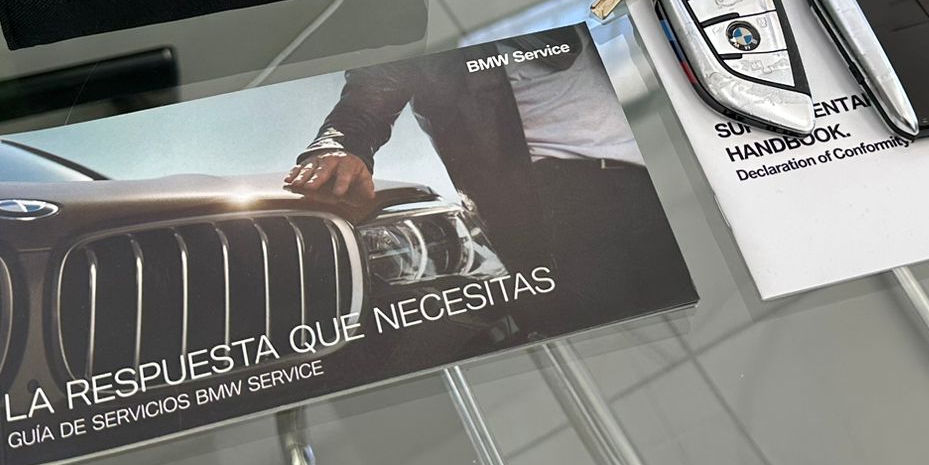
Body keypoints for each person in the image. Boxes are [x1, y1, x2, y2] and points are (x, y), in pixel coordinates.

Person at [284, 36, 691, 321]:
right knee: (609, 333)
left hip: (657, 169)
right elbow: (374, 89)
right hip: (558, 194)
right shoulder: (428, 25)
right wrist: (339, 145)